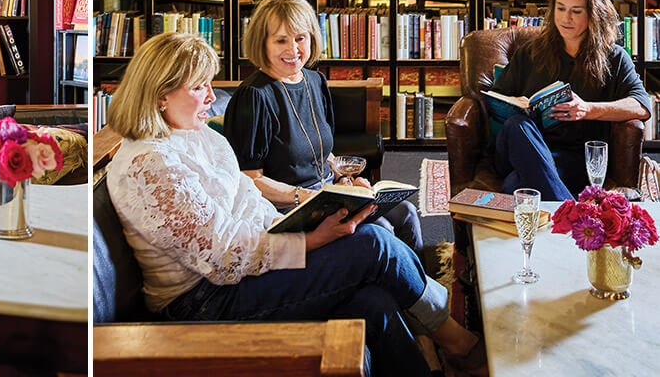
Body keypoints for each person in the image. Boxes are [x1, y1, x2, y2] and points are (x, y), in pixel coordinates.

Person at [105, 32, 485, 377]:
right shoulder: (149, 164)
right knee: (373, 245)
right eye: (198, 86)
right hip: (204, 299)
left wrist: (309, 219)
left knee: (373, 299)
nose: (210, 96)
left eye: (208, 83)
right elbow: (221, 256)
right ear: (159, 95)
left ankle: (436, 356)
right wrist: (312, 241)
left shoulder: (197, 134)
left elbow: (247, 201)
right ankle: (457, 343)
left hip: (247, 265)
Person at [223, 0, 423, 256]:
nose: (293, 50)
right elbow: (248, 180)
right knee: (383, 228)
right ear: (263, 43)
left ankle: (417, 291)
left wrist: (345, 177)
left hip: (329, 194)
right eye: (281, 40)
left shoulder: (315, 81)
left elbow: (321, 151)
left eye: (300, 38)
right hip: (288, 209)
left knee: (406, 213)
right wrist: (307, 196)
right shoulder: (254, 96)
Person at [489, 0, 650, 200]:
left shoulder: (614, 58)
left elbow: (642, 105)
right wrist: (519, 105)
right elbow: (497, 98)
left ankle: (565, 212)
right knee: (518, 124)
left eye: (576, 11)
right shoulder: (531, 52)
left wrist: (588, 109)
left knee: (514, 185)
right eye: (561, 8)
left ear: (593, 14)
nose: (566, 18)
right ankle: (575, 216)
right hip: (517, 147)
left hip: (572, 158)